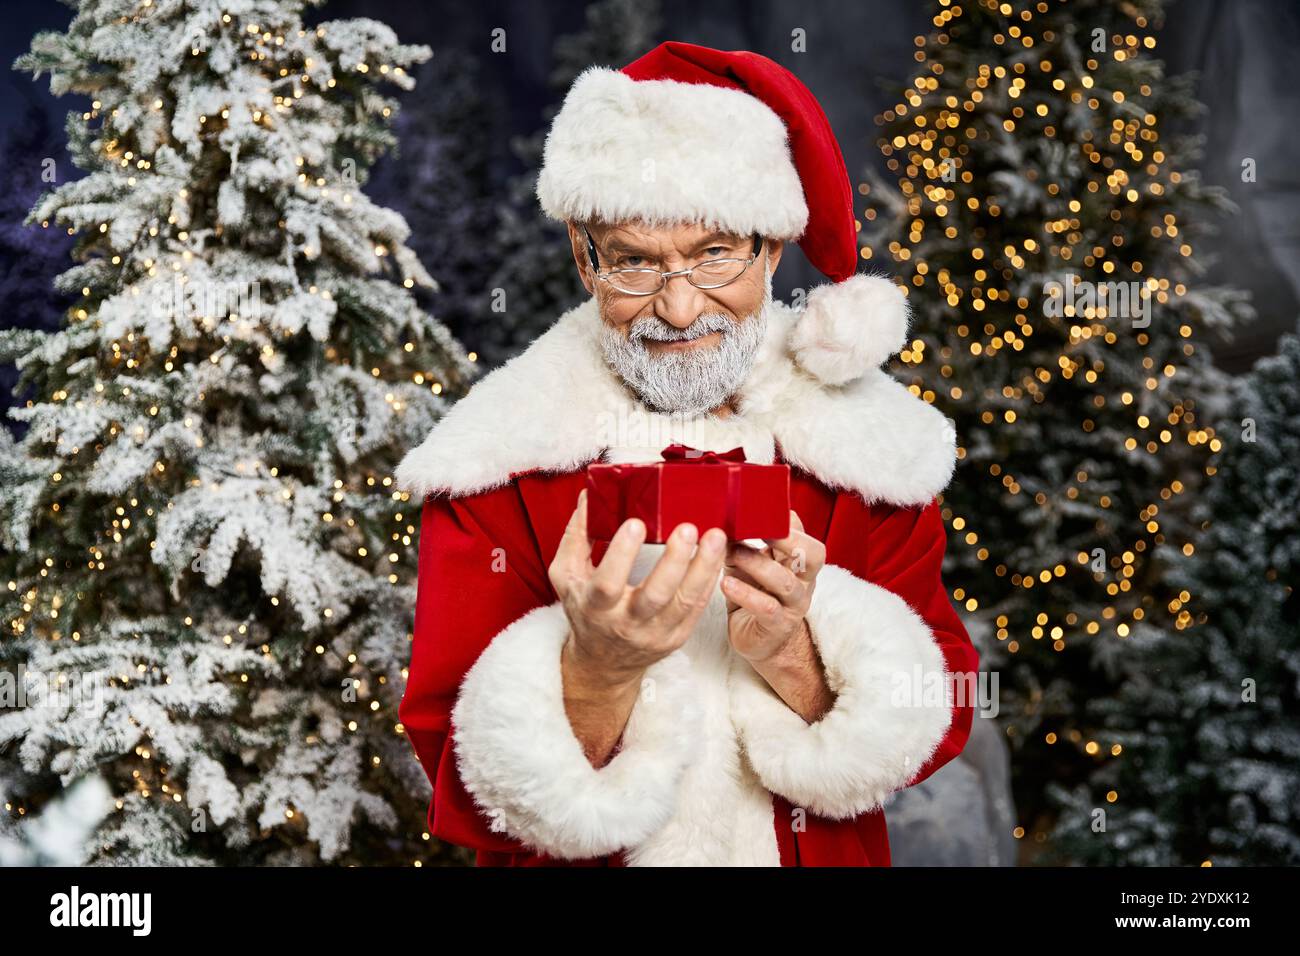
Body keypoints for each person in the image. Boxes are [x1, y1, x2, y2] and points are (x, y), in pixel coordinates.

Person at [394, 41, 979, 866]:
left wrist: (794, 655)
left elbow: (942, 705)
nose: (677, 306)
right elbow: (457, 779)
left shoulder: (868, 456)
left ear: (772, 248)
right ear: (585, 259)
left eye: (713, 255)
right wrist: (597, 672)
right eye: (634, 262)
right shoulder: (499, 465)